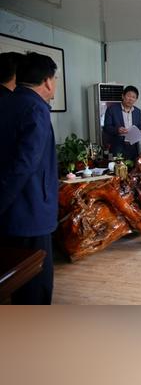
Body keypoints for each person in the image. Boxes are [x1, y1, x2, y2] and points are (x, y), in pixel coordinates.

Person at [0, 52, 58, 304]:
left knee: (15, 280)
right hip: (30, 210)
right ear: (47, 81)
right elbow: (24, 165)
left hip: (9, 215)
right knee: (35, 284)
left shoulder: (6, 102)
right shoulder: (36, 108)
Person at [103, 85, 141, 161]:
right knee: (118, 167)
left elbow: (140, 125)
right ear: (123, 96)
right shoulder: (112, 109)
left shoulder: (137, 111)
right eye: (128, 96)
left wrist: (140, 131)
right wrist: (117, 130)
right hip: (117, 146)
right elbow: (106, 127)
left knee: (133, 167)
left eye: (133, 97)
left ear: (136, 99)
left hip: (133, 146)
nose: (130, 99)